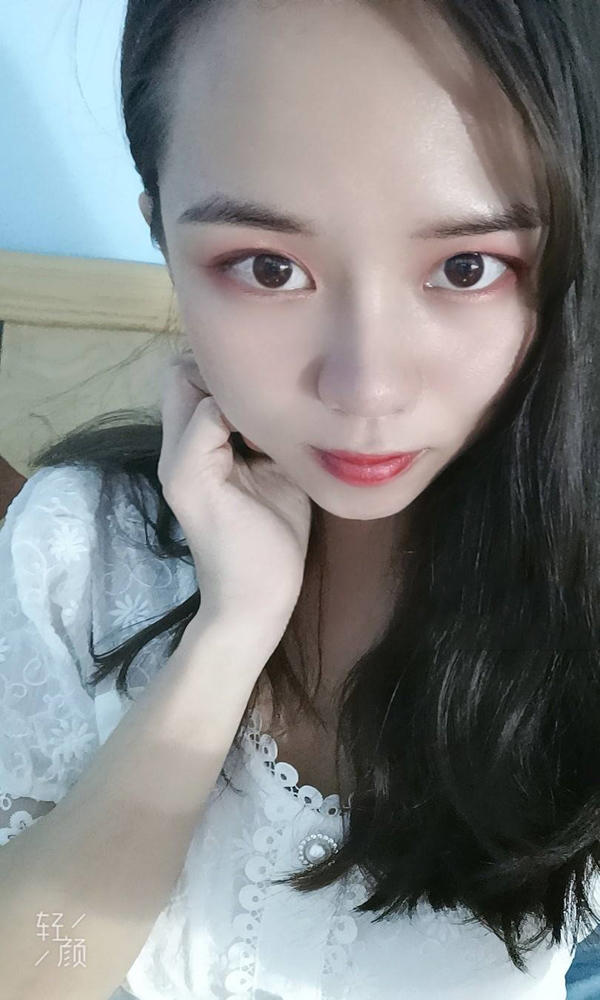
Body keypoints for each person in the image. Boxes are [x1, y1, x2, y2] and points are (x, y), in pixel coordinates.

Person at [1, 0, 600, 997]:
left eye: (467, 268)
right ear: (162, 236)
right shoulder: (78, 550)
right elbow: (31, 970)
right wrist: (230, 632)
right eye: (269, 268)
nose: (366, 388)